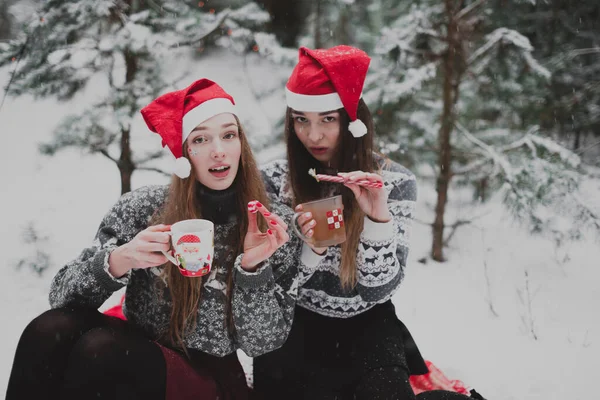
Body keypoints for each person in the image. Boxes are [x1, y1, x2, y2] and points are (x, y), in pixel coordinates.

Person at [5, 79, 315, 400]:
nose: (219, 150)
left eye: (228, 135)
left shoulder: (267, 219)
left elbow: (261, 342)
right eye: (200, 139)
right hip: (139, 343)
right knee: (48, 329)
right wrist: (121, 259)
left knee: (101, 352)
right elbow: (61, 294)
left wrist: (252, 267)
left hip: (210, 373)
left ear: (241, 143)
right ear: (184, 154)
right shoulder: (145, 208)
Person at [253, 46, 476, 400]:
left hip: (369, 324)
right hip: (295, 324)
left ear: (351, 120)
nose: (313, 136)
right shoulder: (274, 180)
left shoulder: (394, 183)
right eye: (301, 120)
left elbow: (377, 292)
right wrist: (306, 246)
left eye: (328, 119)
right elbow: (272, 288)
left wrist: (376, 220)